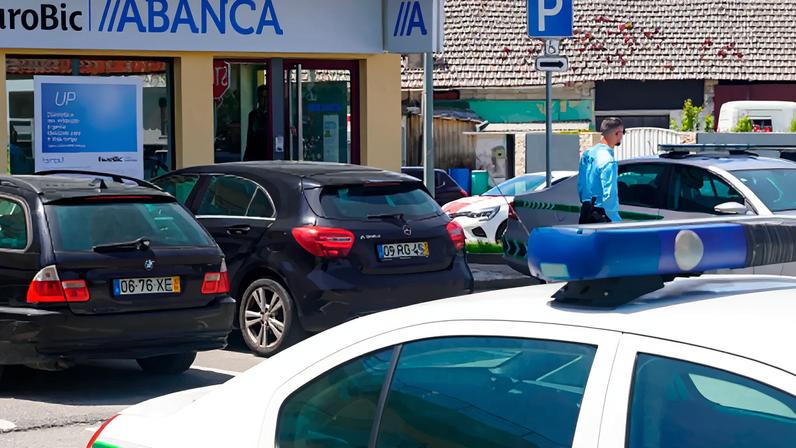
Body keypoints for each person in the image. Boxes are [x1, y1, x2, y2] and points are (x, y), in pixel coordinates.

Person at [578, 117, 624, 224]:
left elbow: (581, 184)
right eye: (623, 132)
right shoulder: (608, 161)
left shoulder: (587, 154)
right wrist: (614, 219)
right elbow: (609, 194)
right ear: (617, 133)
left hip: (586, 210)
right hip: (602, 215)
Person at [243, 85, 272, 161]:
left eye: (267, 97)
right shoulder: (253, 115)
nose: (265, 101)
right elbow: (250, 139)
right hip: (256, 154)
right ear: (258, 99)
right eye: (262, 97)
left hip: (270, 153)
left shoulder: (274, 115)